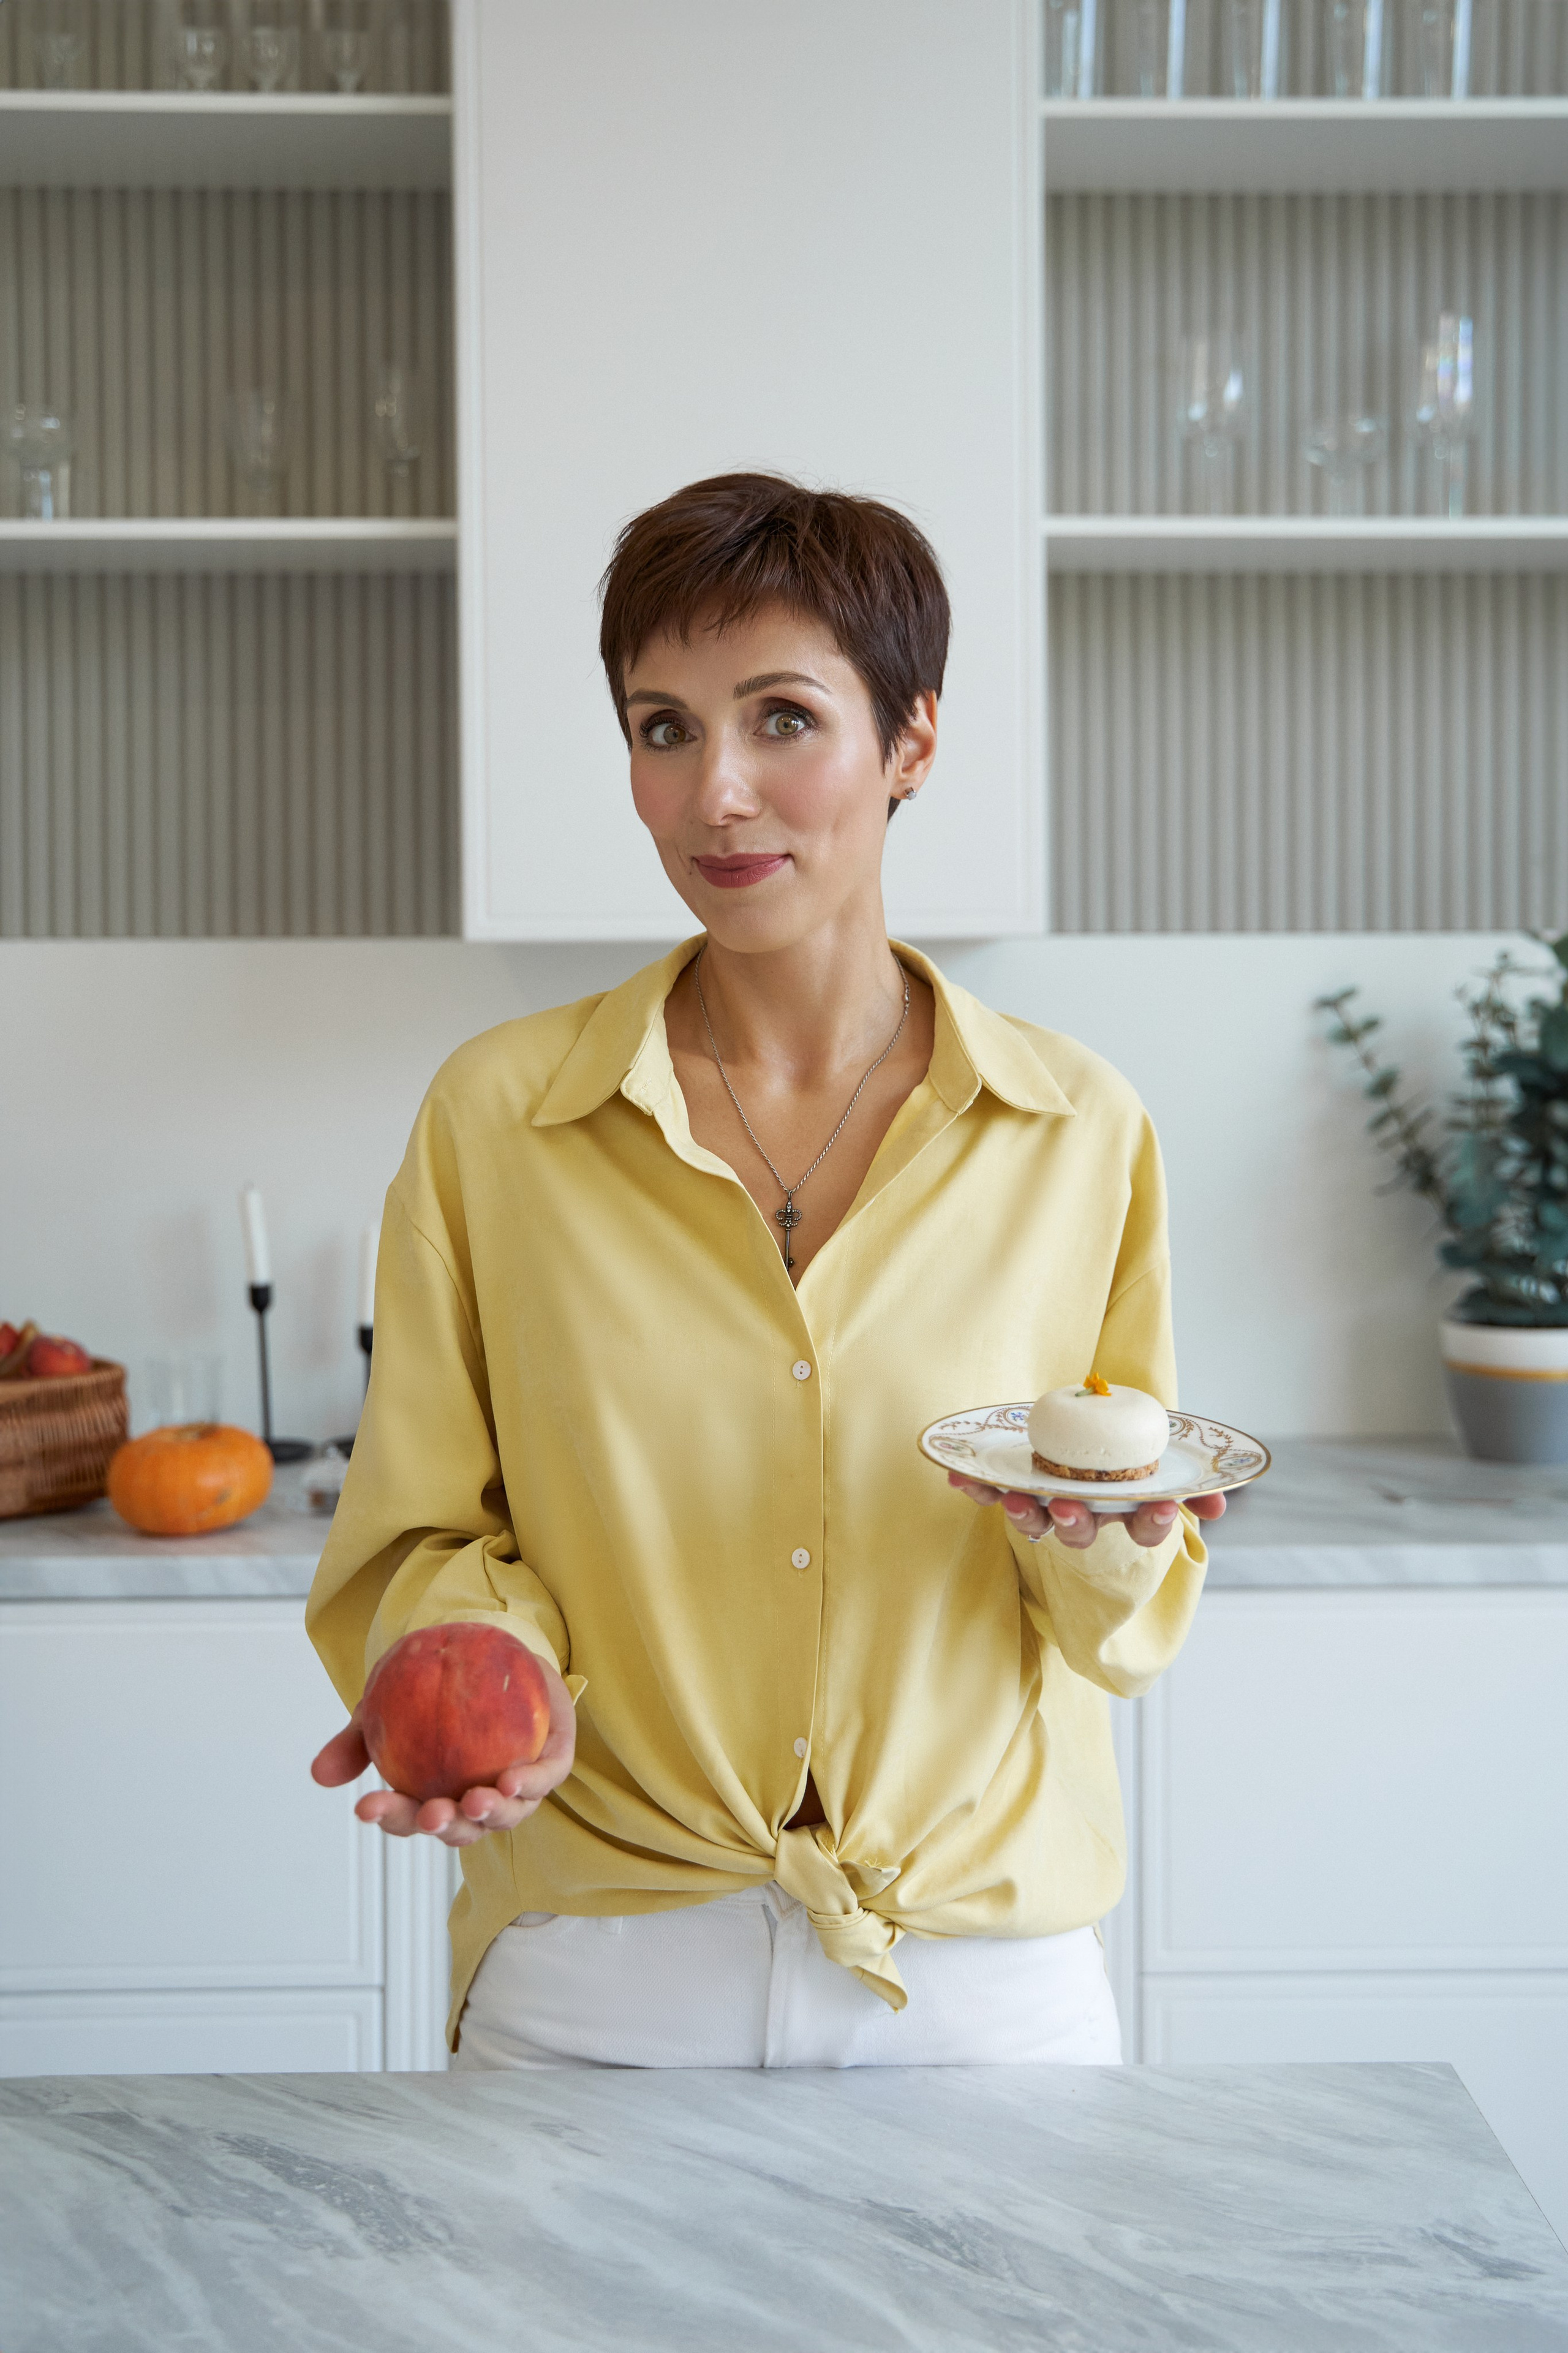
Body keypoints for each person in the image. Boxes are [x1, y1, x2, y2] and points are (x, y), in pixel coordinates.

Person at [307, 471, 1223, 2071]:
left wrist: (1106, 1545)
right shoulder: (498, 1120)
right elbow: (426, 1532)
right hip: (598, 1964)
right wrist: (489, 1671)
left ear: (913, 742)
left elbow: (1115, 1615)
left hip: (982, 1986)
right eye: (664, 729)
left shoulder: (1080, 1130)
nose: (718, 790)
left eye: (783, 719)